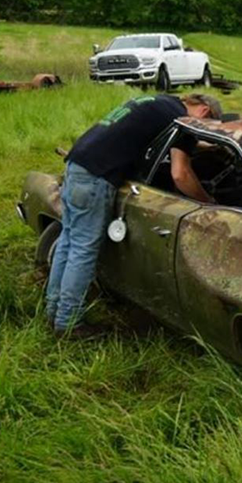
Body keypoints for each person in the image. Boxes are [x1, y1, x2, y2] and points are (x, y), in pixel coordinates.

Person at [46, 93, 222, 338]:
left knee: (68, 242)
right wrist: (208, 202)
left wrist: (202, 145)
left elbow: (159, 138)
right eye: (208, 124)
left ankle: (54, 311)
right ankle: (68, 323)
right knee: (83, 250)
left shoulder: (160, 103)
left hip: (77, 165)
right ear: (204, 111)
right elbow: (180, 175)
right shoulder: (183, 121)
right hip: (97, 178)